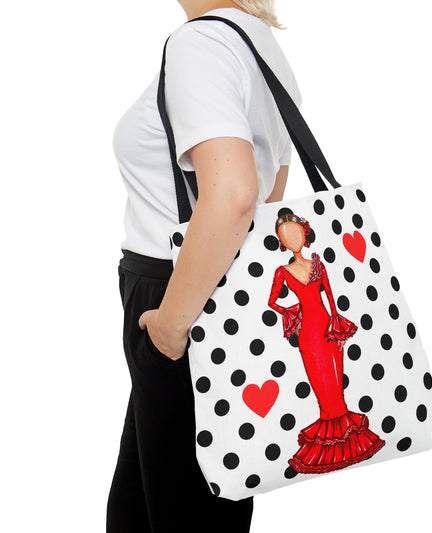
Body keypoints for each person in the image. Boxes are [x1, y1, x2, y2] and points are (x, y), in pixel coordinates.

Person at [106, 1, 302, 531]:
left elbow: (237, 196)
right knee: (156, 508)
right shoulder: (258, 43)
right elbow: (268, 200)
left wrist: (170, 329)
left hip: (180, 301)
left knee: (181, 513)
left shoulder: (201, 45)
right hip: (217, 292)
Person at [268, 214, 386, 474]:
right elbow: (272, 301)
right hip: (308, 334)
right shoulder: (282, 272)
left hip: (327, 328)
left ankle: (349, 443)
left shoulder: (318, 265)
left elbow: (331, 298)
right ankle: (330, 449)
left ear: (304, 233)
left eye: (296, 232)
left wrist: (338, 328)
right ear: (281, 242)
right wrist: (290, 312)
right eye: (286, 236)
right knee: (323, 388)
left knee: (336, 385)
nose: (293, 239)